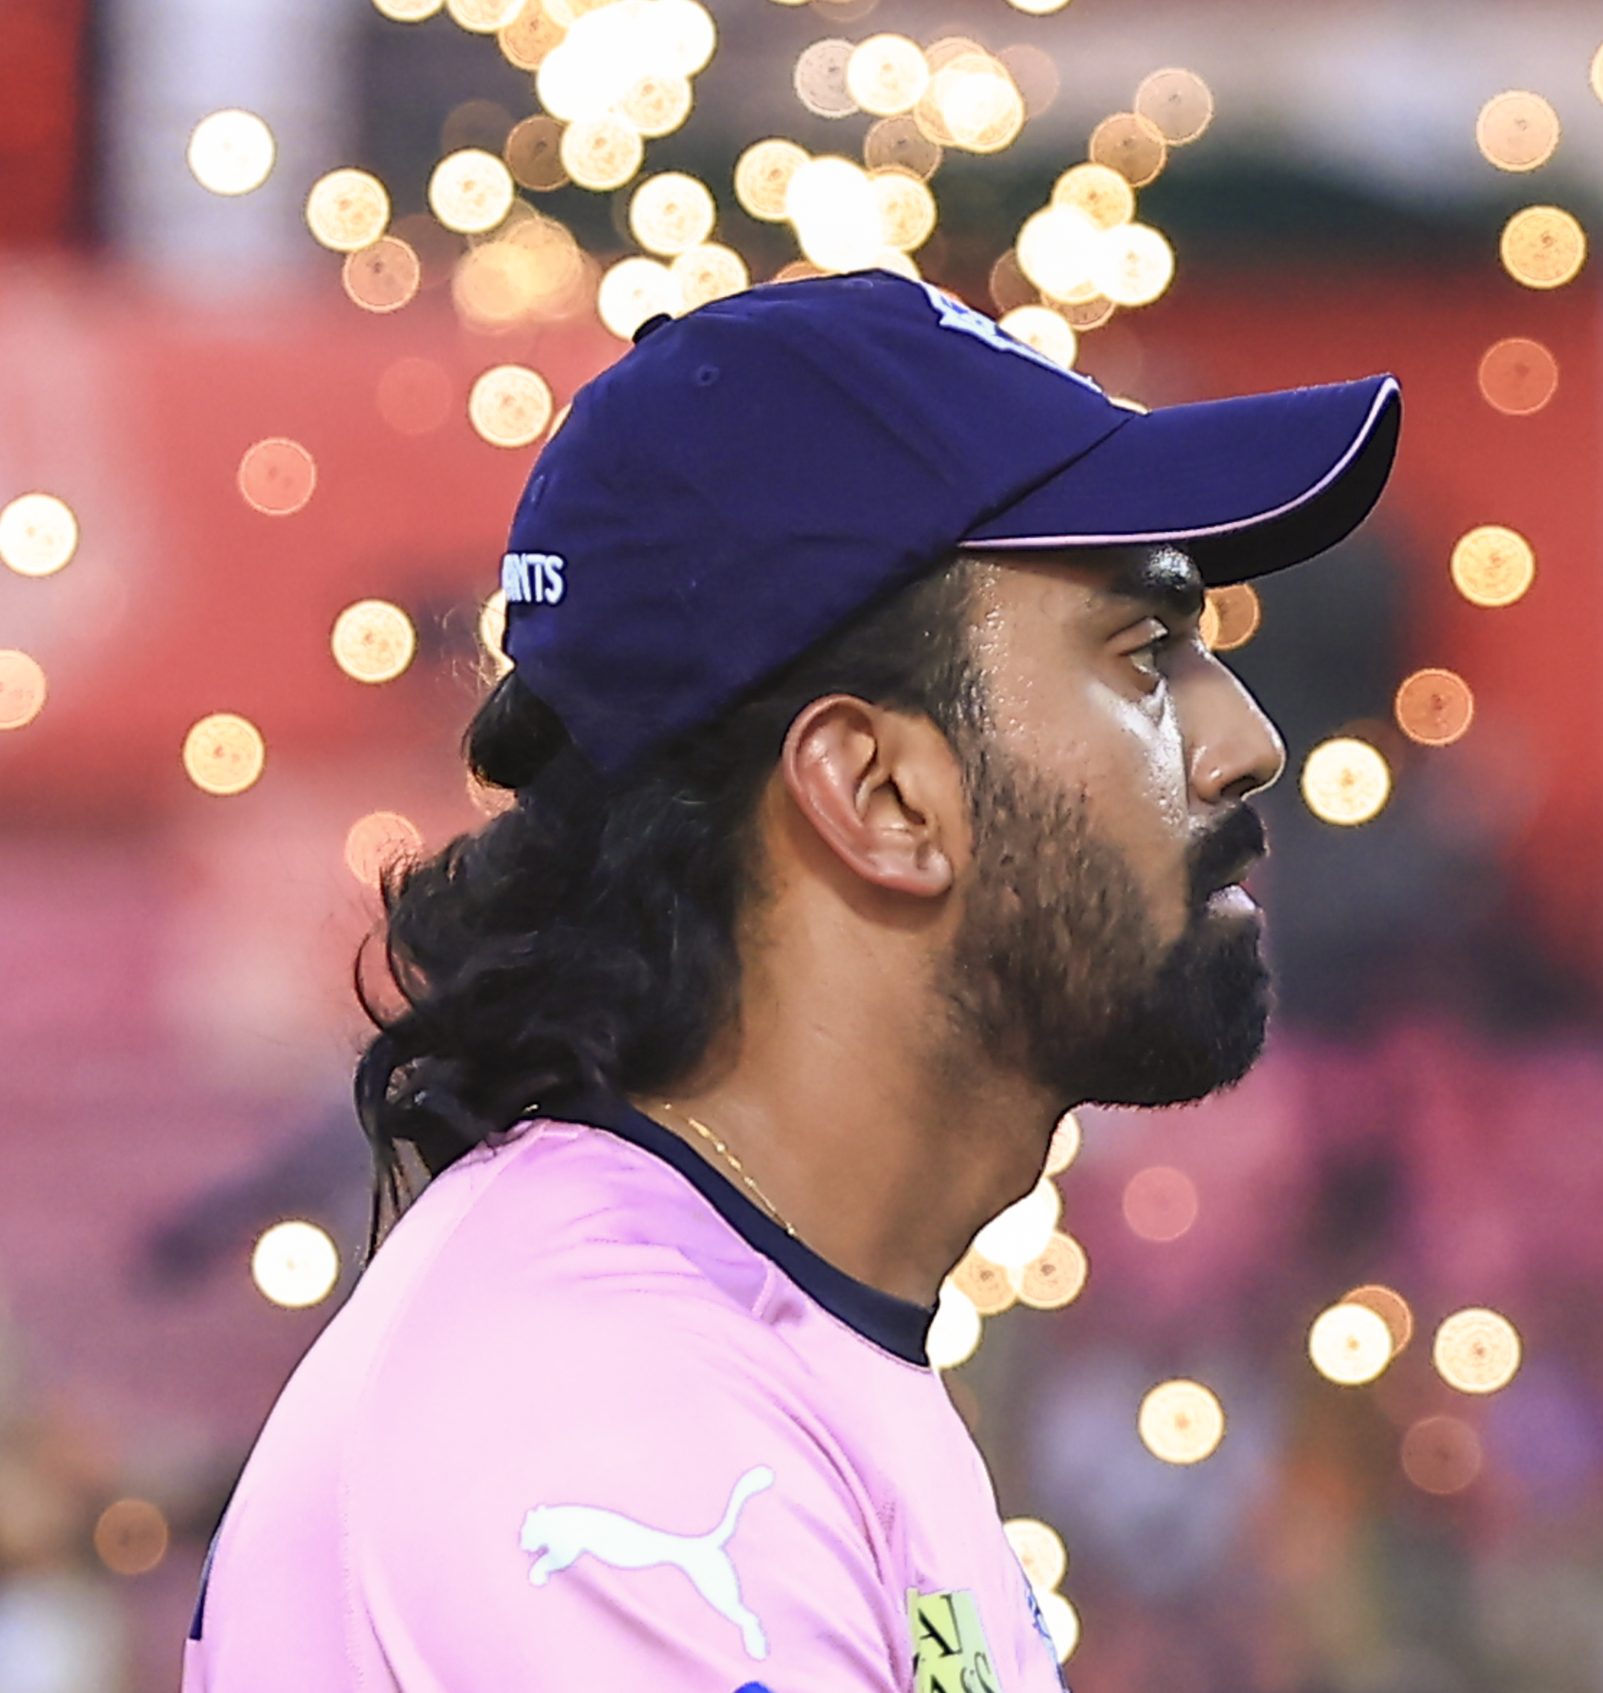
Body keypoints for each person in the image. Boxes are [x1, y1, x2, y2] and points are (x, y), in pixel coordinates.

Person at [181, 268, 1399, 1690]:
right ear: (877, 792)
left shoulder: (766, 1342)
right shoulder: (609, 1403)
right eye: (1144, 654)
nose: (1246, 740)